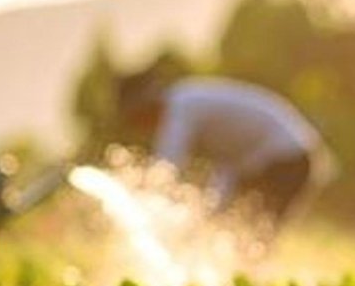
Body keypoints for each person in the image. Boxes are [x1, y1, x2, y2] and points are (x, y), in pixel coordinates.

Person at [115, 68, 326, 226]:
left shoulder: (181, 106)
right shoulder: (188, 102)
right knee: (237, 230)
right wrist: (209, 214)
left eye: (135, 118)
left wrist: (145, 205)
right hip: (286, 156)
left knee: (253, 231)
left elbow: (166, 169)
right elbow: (227, 170)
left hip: (287, 158)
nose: (139, 127)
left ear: (145, 104)